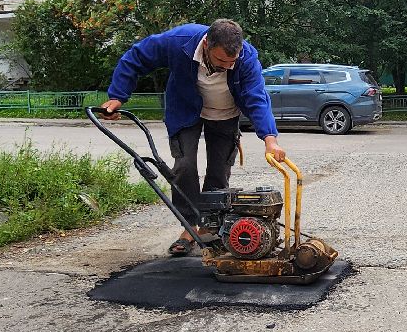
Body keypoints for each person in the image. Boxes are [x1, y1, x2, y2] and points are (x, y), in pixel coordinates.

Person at [99, 20, 285, 256]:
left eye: (232, 61)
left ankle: (210, 226)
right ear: (206, 44)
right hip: (186, 111)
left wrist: (270, 139)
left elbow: (256, 97)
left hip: (226, 115)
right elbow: (136, 57)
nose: (228, 66)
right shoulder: (179, 42)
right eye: (220, 61)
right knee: (184, 166)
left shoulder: (247, 58)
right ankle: (189, 228)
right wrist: (117, 96)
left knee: (218, 171)